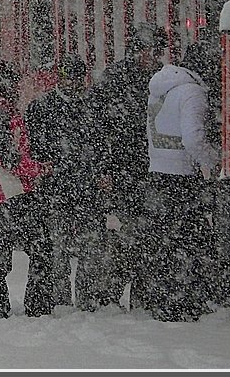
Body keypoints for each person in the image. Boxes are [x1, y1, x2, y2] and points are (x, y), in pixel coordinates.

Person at [83, 22, 164, 311]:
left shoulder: (159, 79)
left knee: (145, 234)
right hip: (125, 169)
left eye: (157, 51)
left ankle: (139, 296)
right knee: (130, 235)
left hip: (152, 169)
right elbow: (94, 128)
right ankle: (112, 294)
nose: (153, 56)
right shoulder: (116, 80)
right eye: (150, 50)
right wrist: (103, 168)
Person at [142, 42, 220, 321]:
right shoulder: (192, 93)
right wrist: (216, 160)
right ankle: (185, 303)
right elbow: (193, 138)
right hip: (182, 179)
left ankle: (164, 300)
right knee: (193, 241)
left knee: (166, 241)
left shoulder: (162, 90)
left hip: (158, 173)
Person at [0, 58, 52, 318]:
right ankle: (37, 305)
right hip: (9, 192)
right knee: (40, 247)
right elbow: (9, 158)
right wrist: (38, 168)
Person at [23, 54, 93, 308]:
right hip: (56, 189)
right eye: (69, 78)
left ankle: (85, 298)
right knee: (57, 247)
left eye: (77, 79)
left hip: (84, 187)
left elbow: (101, 145)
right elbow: (32, 146)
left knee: (88, 247)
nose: (74, 84)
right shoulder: (42, 107)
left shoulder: (92, 105)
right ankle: (60, 297)